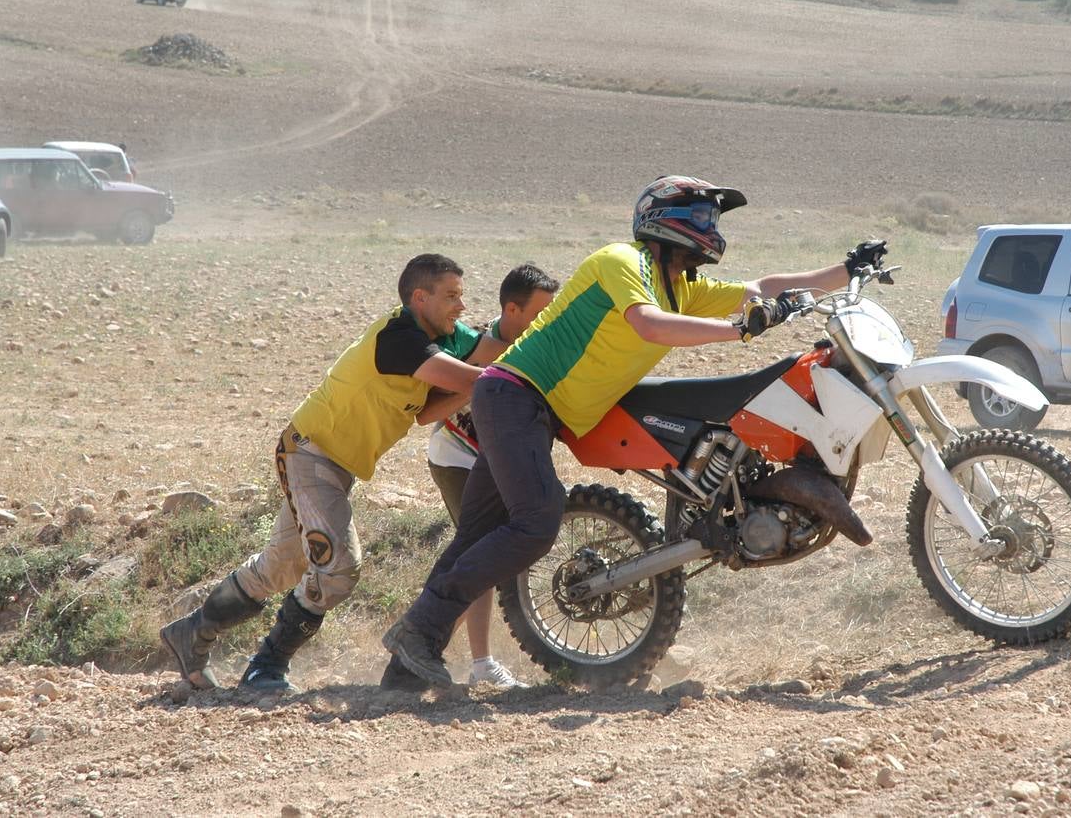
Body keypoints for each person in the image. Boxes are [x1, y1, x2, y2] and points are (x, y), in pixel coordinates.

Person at [381, 175, 890, 688]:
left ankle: (404, 667)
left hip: (530, 406)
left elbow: (763, 289)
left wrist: (845, 269)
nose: (709, 229)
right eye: (698, 217)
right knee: (536, 522)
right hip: (516, 395)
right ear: (660, 220)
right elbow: (648, 324)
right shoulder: (623, 262)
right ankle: (419, 634)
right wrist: (741, 329)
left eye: (711, 219)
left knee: (477, 536)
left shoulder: (679, 286)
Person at [161, 254, 506, 694]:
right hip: (311, 454)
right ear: (421, 298)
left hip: (334, 465)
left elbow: (463, 382)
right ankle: (267, 665)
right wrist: (501, 376)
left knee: (281, 566)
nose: (461, 306)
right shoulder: (400, 336)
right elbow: (474, 376)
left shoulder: (446, 336)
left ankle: (192, 635)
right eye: (452, 296)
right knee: (338, 568)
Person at [391, 264, 561, 691]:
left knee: (480, 551)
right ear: (512, 309)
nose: (548, 323)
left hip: (493, 459)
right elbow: (429, 411)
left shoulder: (540, 347)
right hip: (457, 455)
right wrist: (486, 386)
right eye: (541, 313)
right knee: (480, 551)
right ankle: (478, 660)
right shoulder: (482, 346)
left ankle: (413, 659)